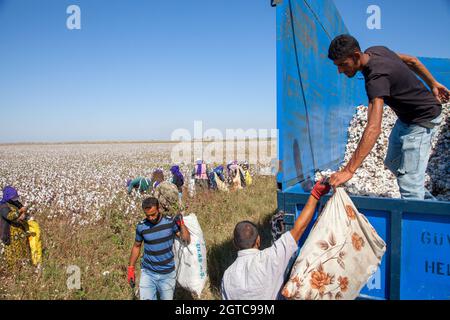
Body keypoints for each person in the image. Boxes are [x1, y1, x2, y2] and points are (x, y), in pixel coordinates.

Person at [327, 34, 449, 200]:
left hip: (423, 119)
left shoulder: (376, 78)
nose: (340, 70)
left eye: (343, 64)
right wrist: (433, 84)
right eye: (337, 66)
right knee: (393, 163)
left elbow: (374, 128)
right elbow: (412, 60)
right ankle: (427, 201)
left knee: (409, 186)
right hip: (406, 119)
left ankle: (424, 217)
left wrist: (349, 170)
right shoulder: (376, 51)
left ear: (356, 56)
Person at [221, 179, 331, 300]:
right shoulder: (270, 258)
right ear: (258, 240)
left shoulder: (227, 276)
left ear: (235, 244)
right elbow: (299, 229)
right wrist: (315, 194)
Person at [127, 197, 190, 300]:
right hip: (148, 273)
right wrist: (131, 268)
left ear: (159, 208)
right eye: (148, 216)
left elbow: (186, 240)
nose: (151, 218)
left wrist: (181, 224)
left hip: (167, 274)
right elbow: (136, 246)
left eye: (153, 214)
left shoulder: (170, 222)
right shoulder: (141, 227)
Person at [0, 186, 31, 269]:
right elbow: (10, 216)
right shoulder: (3, 206)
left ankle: (24, 267)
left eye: (15, 197)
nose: (15, 198)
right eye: (13, 197)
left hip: (20, 231)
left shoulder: (15, 202)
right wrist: (20, 211)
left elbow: (23, 209)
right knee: (13, 252)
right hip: (10, 233)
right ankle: (14, 269)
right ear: (7, 197)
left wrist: (24, 213)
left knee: (23, 248)